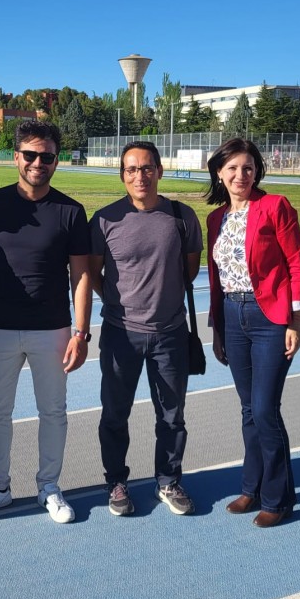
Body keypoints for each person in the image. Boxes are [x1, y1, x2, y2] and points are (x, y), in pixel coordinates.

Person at [0, 122, 92, 524]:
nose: (37, 163)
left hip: (52, 329)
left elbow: (80, 276)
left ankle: (49, 486)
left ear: (56, 161)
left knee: (53, 411)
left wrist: (81, 332)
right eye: (29, 155)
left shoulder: (70, 211)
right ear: (15, 156)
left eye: (46, 156)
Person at [89, 141, 203, 517]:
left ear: (159, 170)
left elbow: (189, 269)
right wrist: (118, 303)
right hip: (120, 333)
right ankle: (116, 482)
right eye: (131, 169)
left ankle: (168, 480)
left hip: (170, 333)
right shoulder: (105, 220)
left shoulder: (181, 216)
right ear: (122, 175)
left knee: (172, 415)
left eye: (147, 167)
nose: (140, 175)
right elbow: (92, 272)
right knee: (114, 413)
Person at [205, 138, 300, 528]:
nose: (240, 175)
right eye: (232, 168)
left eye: (247, 168)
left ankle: (278, 498)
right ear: (219, 172)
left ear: (256, 171)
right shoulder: (215, 219)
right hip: (232, 317)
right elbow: (216, 280)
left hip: (270, 320)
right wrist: (216, 328)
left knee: (265, 410)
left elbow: (298, 263)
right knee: (248, 409)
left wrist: (295, 321)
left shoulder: (274, 207)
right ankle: (251, 487)